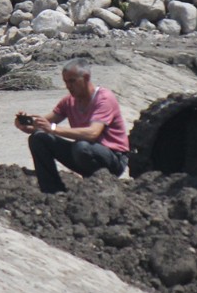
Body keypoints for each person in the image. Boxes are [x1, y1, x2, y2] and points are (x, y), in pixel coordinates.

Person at [14, 59, 129, 194]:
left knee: (82, 146)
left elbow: (93, 133)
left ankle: (99, 186)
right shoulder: (69, 101)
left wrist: (53, 129)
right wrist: (26, 124)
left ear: (86, 78)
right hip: (83, 154)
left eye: (72, 81)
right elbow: (43, 124)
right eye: (66, 82)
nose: (69, 86)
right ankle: (52, 191)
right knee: (38, 138)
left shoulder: (104, 99)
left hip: (112, 158)